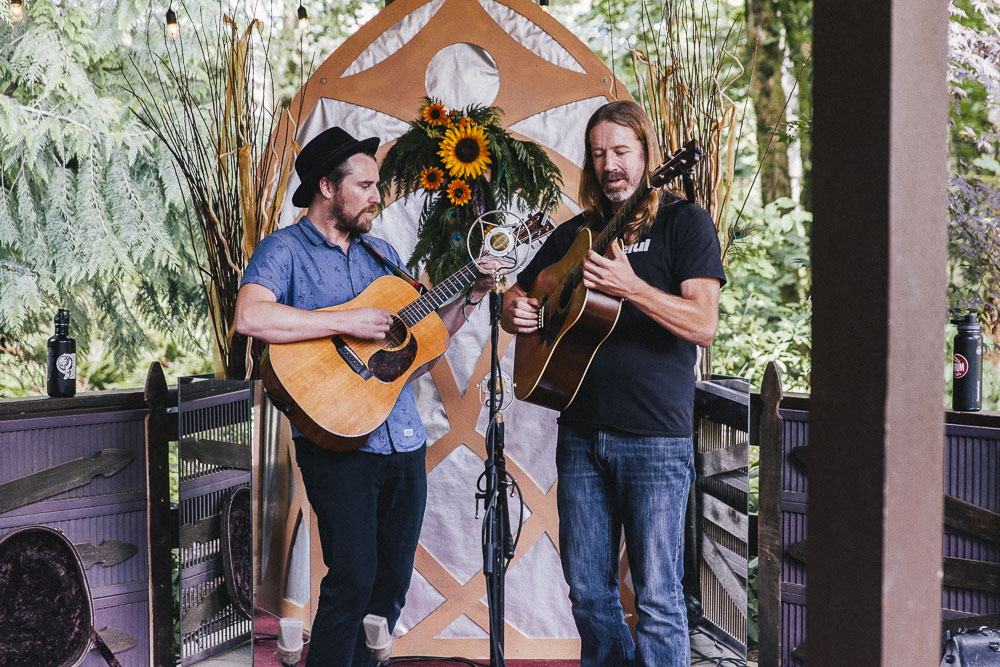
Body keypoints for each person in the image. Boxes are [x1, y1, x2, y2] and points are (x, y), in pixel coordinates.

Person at [235, 126, 493, 666]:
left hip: (401, 438)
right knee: (352, 580)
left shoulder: (382, 253)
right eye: (367, 185)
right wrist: (347, 318)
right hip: (337, 443)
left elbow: (418, 341)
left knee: (387, 590)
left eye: (378, 186)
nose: (378, 196)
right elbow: (251, 316)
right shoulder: (284, 250)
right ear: (328, 187)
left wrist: (470, 291)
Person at [500, 101, 727, 666]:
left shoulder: (685, 223)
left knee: (657, 599)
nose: (610, 165)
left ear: (648, 156)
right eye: (599, 154)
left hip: (655, 439)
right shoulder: (575, 235)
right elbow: (520, 294)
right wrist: (517, 313)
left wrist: (633, 288)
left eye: (622, 152)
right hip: (580, 435)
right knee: (589, 594)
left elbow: (703, 324)